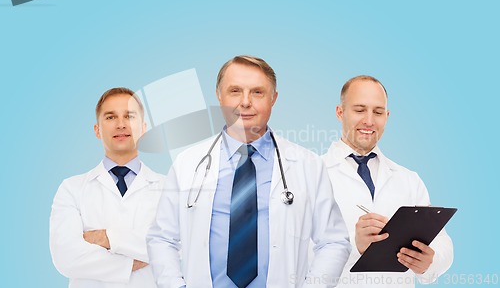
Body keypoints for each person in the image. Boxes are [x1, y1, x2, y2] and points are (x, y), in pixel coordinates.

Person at [147, 55, 351, 288]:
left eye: (257, 92)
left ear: (273, 98)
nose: (245, 102)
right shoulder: (188, 163)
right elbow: (162, 238)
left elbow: (334, 242)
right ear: (219, 96)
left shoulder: (307, 164)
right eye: (235, 91)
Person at [322, 75, 453, 287]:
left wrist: (430, 261)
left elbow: (443, 243)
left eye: (378, 112)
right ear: (340, 112)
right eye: (359, 110)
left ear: (387, 116)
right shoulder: (312, 175)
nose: (369, 120)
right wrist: (355, 246)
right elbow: (290, 253)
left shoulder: (408, 179)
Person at [50, 87, 165, 288]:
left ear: (144, 128)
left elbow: (172, 246)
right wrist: (133, 262)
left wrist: (105, 237)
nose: (121, 124)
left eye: (129, 116)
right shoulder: (71, 189)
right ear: (97, 130)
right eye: (111, 117)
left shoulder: (167, 188)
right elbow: (65, 257)